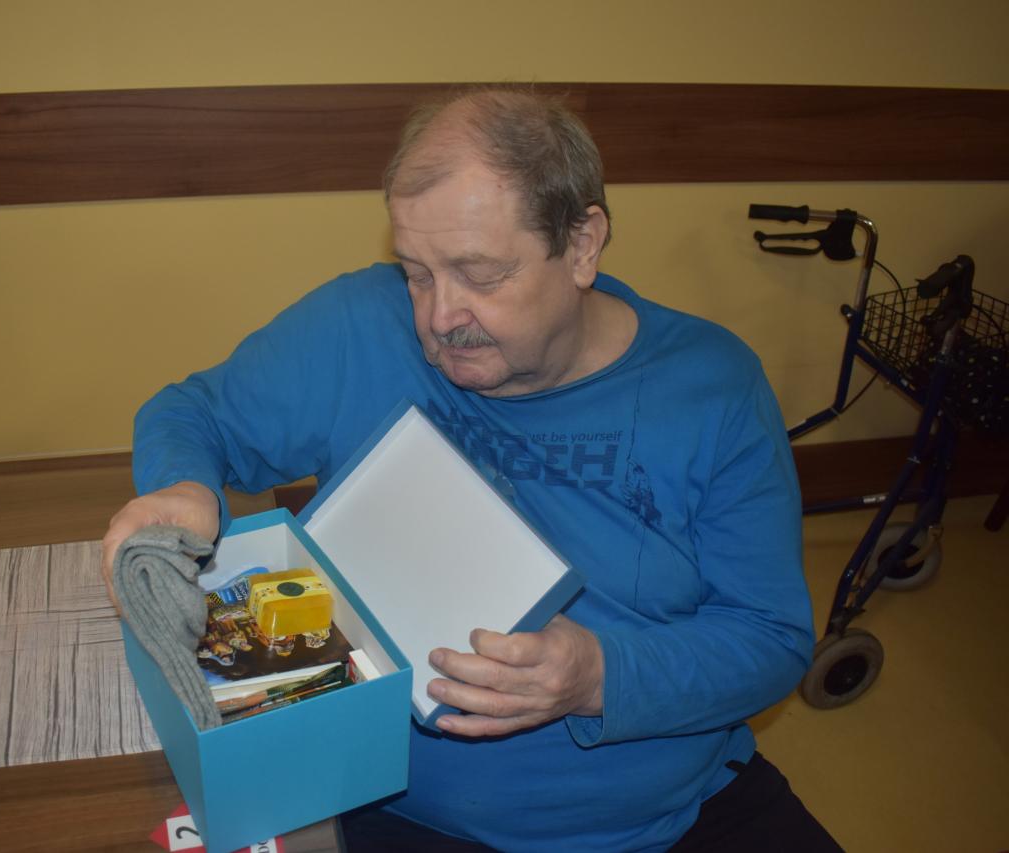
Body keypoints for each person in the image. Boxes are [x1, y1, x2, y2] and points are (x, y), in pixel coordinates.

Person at [102, 87, 840, 852]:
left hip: (665, 814)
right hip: (387, 798)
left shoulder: (711, 388)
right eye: (417, 272)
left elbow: (771, 640)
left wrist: (596, 675)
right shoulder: (359, 326)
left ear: (582, 246)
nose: (439, 316)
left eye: (480, 274)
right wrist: (185, 486)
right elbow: (191, 414)